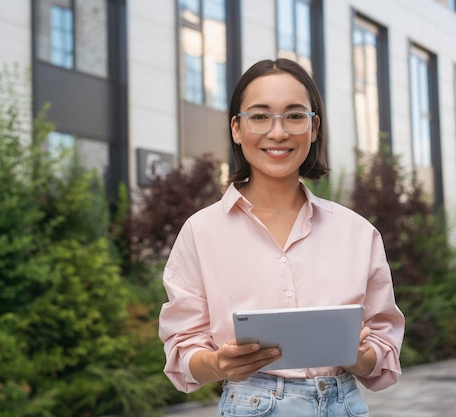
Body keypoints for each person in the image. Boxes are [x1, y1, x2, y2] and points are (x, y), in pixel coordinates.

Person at [158, 58, 405, 417]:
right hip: (251, 405)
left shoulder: (357, 232)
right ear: (237, 129)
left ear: (314, 127)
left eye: (294, 115)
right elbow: (183, 348)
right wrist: (218, 365)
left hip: (343, 405)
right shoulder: (201, 231)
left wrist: (359, 356)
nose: (278, 133)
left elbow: (384, 350)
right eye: (259, 116)